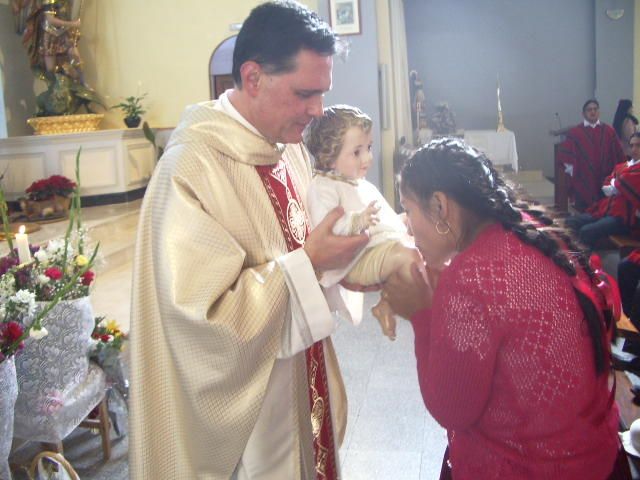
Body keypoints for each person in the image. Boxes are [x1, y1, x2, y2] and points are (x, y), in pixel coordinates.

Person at [129, 2, 369, 479]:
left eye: (323, 93)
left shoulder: (289, 151)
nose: (317, 111)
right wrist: (309, 264)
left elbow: (310, 250)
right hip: (253, 423)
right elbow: (200, 319)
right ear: (253, 77)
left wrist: (348, 265)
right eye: (305, 93)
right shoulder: (190, 170)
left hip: (303, 378)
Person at [381, 137, 629, 479]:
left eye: (407, 209)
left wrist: (421, 315)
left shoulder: (472, 276)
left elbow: (452, 409)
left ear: (440, 206)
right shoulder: (531, 229)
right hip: (598, 459)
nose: (405, 223)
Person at [304, 104, 422, 340]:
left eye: (368, 148)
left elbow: (381, 219)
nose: (367, 157)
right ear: (329, 155)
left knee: (417, 249)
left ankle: (387, 306)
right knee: (409, 257)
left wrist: (400, 222)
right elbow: (328, 227)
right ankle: (424, 313)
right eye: (357, 152)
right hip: (355, 260)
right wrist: (358, 220)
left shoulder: (355, 181)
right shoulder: (323, 187)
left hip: (372, 248)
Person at [565, 132, 640, 247]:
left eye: (638, 145)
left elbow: (623, 181)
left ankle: (584, 262)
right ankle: (569, 254)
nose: (634, 149)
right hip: (607, 210)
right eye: (632, 145)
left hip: (625, 218)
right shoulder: (622, 166)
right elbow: (607, 185)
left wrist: (616, 183)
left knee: (587, 231)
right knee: (570, 222)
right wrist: (617, 184)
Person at [557, 99, 626, 211]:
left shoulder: (609, 131)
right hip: (583, 180)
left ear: (599, 112)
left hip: (605, 179)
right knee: (583, 214)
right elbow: (565, 157)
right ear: (583, 113)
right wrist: (573, 173)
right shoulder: (575, 133)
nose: (593, 112)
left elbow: (619, 155)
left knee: (603, 211)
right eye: (589, 110)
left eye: (595, 109)